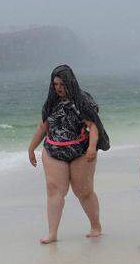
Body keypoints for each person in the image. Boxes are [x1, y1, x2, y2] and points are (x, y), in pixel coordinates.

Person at [27, 65, 107, 244]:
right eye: (55, 84)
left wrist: (92, 147)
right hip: (53, 150)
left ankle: (96, 226)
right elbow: (43, 127)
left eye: (62, 84)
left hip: (80, 151)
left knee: (83, 191)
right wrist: (31, 148)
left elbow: (93, 126)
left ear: (70, 82)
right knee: (54, 190)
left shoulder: (83, 100)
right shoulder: (51, 102)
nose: (58, 88)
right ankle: (52, 233)